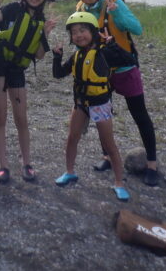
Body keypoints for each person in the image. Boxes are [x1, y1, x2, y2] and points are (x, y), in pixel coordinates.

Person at [73, 0, 158, 186]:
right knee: (102, 116)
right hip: (100, 72)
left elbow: (137, 29)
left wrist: (116, 12)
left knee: (139, 114)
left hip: (124, 68)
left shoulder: (115, 3)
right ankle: (107, 157)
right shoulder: (81, 8)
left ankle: (152, 164)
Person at [52, 12, 133, 201]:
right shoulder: (76, 55)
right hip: (80, 104)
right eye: (74, 32)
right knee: (72, 138)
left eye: (83, 30)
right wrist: (57, 57)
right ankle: (70, 172)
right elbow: (58, 74)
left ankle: (119, 182)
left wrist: (113, 44)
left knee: (108, 144)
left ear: (93, 32)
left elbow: (129, 61)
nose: (78, 35)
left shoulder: (104, 52)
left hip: (100, 104)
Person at [0, 0, 56, 183]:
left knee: (21, 119)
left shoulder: (41, 20)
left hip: (17, 71)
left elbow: (39, 55)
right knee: (0, 117)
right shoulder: (12, 9)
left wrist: (46, 34)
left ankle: (27, 163)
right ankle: (3, 165)